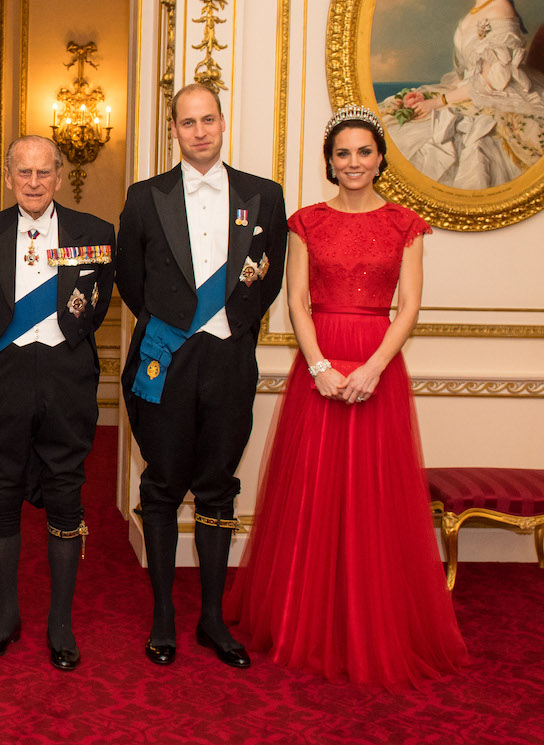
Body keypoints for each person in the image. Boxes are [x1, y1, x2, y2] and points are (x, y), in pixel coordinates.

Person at [224, 105, 469, 688]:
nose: (353, 162)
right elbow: (297, 302)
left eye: (363, 151)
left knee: (373, 497)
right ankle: (305, 618)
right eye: (342, 153)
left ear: (380, 157)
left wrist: (374, 369)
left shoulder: (406, 225)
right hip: (322, 365)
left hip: (377, 364)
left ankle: (371, 621)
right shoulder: (306, 221)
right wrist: (320, 366)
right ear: (329, 162)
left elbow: (408, 307)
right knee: (313, 491)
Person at [117, 83, 287, 670]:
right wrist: (176, 326)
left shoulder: (264, 196)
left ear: (222, 121)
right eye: (187, 123)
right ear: (174, 130)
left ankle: (212, 618)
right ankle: (163, 615)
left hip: (229, 358)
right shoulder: (144, 197)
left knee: (217, 485)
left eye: (208, 119)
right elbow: (131, 280)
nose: (200, 131)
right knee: (162, 483)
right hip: (166, 355)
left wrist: (229, 328)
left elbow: (270, 279)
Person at [0, 135, 115, 671]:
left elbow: (93, 310)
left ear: (58, 175)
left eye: (43, 173)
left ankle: (60, 623)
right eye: (23, 173)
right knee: (1, 491)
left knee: (67, 495)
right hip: (6, 379)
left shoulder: (95, 233)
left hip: (68, 378)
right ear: (7, 176)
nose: (33, 182)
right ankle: (7, 615)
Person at [376, 0, 543, 189]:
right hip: (468, 93)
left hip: (496, 97)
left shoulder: (500, 8)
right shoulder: (477, 9)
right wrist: (430, 98)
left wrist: (437, 102)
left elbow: (488, 81)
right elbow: (466, 75)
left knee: (456, 145)